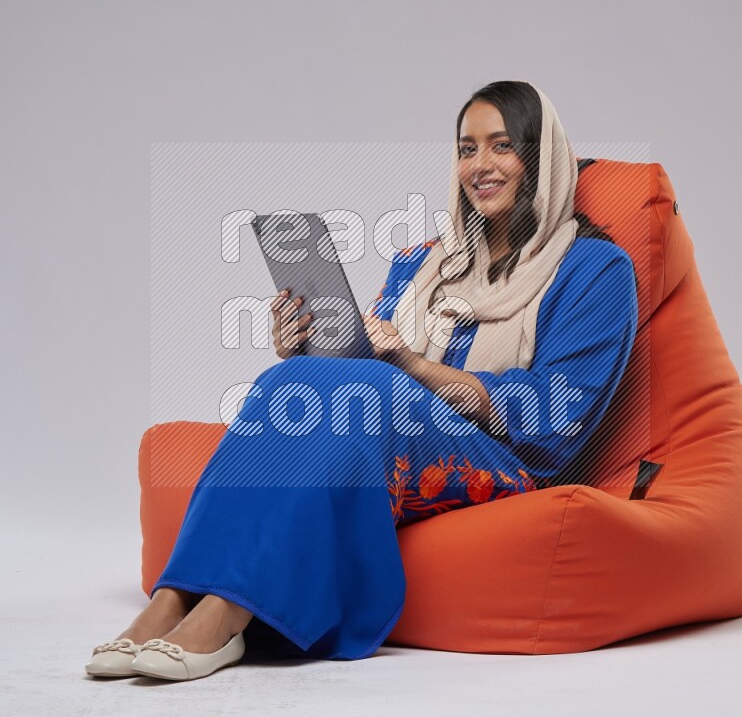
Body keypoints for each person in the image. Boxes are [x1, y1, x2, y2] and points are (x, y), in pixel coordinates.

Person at [85, 80, 638, 682]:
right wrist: (307, 346)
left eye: (501, 146)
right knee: (289, 379)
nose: (479, 165)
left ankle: (227, 614)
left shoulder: (594, 268)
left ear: (541, 157)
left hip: (506, 459)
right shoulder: (423, 263)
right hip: (393, 421)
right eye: (466, 149)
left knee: (370, 394)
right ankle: (172, 598)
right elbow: (361, 363)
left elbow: (556, 419)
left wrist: (411, 366)